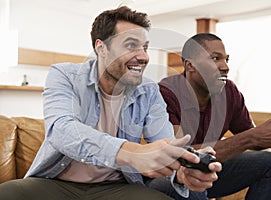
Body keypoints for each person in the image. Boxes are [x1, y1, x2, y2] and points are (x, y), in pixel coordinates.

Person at [0, 7, 222, 200]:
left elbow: (165, 143)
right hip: (55, 182)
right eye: (131, 45)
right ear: (101, 48)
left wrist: (181, 171)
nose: (144, 56)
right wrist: (132, 153)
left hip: (116, 187)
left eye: (145, 47)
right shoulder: (64, 75)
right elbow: (61, 130)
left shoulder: (149, 90)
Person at [158, 33, 271, 200]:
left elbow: (252, 137)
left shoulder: (228, 91)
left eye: (226, 59)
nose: (225, 67)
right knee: (191, 182)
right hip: (172, 175)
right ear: (190, 66)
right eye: (215, 59)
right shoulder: (166, 92)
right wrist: (252, 137)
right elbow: (180, 157)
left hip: (211, 170)